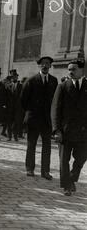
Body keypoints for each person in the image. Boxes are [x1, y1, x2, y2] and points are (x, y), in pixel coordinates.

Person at [51, 60, 87, 196]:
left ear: (81, 71)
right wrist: (56, 130)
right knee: (63, 160)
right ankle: (67, 185)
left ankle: (72, 178)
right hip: (65, 132)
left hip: (83, 132)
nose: (70, 72)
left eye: (74, 69)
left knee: (82, 157)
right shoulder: (62, 87)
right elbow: (55, 110)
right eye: (69, 69)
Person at [21, 56, 58, 180]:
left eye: (48, 63)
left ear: (50, 66)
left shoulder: (54, 81)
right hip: (34, 119)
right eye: (43, 64)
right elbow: (23, 100)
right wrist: (29, 113)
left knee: (47, 146)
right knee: (31, 144)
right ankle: (30, 168)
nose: (45, 66)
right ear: (39, 65)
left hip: (47, 120)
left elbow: (55, 100)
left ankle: (45, 171)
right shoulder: (32, 80)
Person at [5, 69, 24, 142]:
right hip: (10, 108)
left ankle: (15, 136)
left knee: (16, 122)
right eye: (12, 77)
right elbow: (6, 97)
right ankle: (9, 137)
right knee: (9, 122)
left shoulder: (20, 86)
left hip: (18, 108)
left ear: (17, 77)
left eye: (15, 76)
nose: (14, 78)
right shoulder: (8, 86)